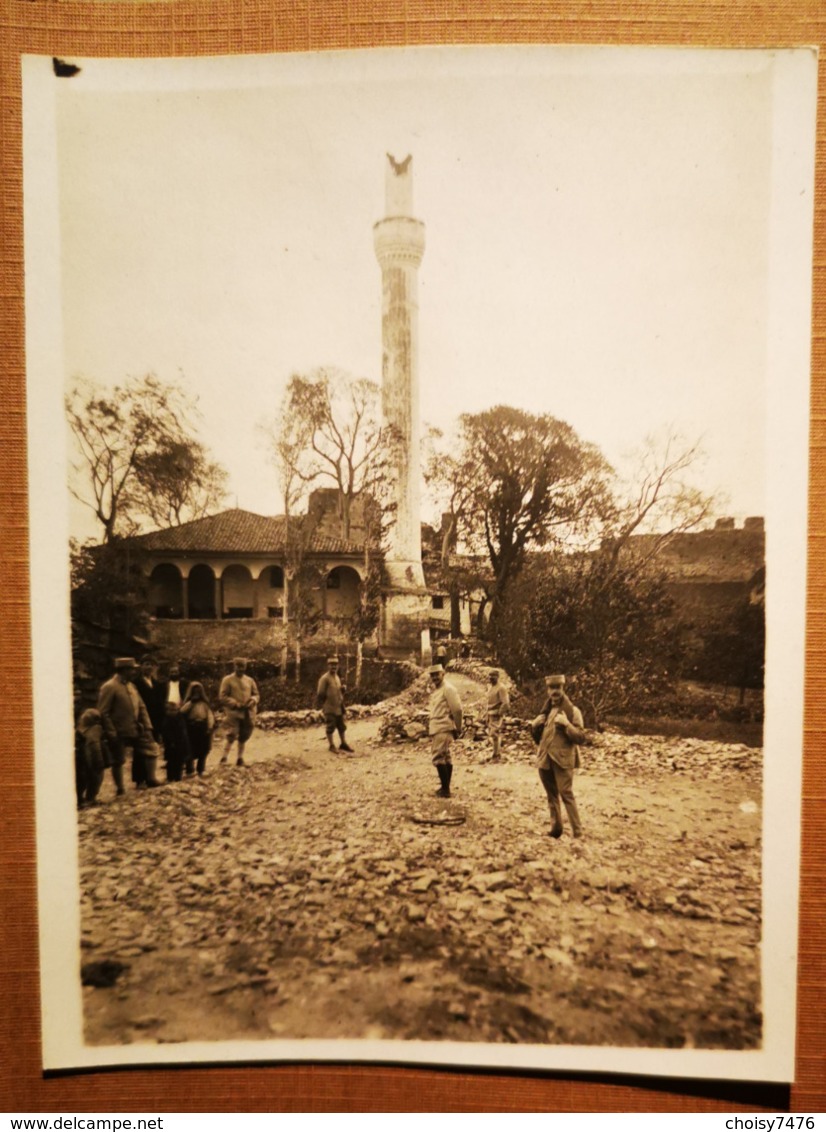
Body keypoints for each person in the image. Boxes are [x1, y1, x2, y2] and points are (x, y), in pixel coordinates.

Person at [532, 674, 585, 839]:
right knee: (551, 795)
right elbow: (538, 737)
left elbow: (581, 737)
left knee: (566, 793)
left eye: (558, 688)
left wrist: (567, 724)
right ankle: (556, 829)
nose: (554, 691)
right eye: (551, 688)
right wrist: (534, 726)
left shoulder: (573, 711)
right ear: (548, 690)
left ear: (563, 689)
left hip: (563, 760)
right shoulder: (546, 711)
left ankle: (578, 832)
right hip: (545, 759)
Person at [98, 657, 156, 792]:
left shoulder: (131, 686)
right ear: (124, 670)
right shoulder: (109, 687)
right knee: (118, 760)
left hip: (135, 728)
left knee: (150, 749)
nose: (134, 672)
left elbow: (141, 707)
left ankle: (150, 779)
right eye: (132, 670)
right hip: (118, 731)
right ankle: (120, 788)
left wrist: (147, 726)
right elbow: (103, 712)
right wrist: (111, 732)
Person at [428, 663, 463, 798]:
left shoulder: (448, 689)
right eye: (432, 675)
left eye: (437, 674)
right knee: (445, 757)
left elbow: (457, 709)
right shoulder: (438, 690)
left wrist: (458, 728)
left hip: (443, 726)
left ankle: (445, 789)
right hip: (437, 727)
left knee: (438, 757)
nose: (435, 677)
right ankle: (445, 787)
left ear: (443, 674)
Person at [219, 657, 259, 766]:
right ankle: (224, 758)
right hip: (233, 713)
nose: (240, 669)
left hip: (247, 713)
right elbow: (222, 696)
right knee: (231, 735)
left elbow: (256, 694)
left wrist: (253, 701)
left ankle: (240, 758)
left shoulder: (249, 680)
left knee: (244, 735)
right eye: (238, 666)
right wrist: (235, 703)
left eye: (243, 667)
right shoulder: (227, 680)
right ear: (234, 666)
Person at [316, 657, 354, 753]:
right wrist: (326, 703)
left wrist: (342, 690)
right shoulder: (324, 678)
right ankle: (331, 745)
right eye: (332, 664)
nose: (334, 666)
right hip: (330, 707)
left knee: (341, 726)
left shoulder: (337, 677)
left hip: (339, 706)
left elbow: (338, 691)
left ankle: (343, 744)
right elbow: (320, 693)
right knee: (330, 726)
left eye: (335, 664)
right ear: (328, 666)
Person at [181, 681, 215, 776]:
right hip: (191, 728)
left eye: (198, 692)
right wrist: (191, 702)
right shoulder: (188, 704)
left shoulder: (205, 704)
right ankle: (190, 769)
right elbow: (182, 712)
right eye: (194, 692)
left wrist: (210, 726)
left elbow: (210, 716)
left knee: (203, 750)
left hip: (203, 727)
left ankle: (201, 769)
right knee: (190, 749)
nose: (197, 695)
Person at [75, 707, 106, 807]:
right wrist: (99, 762)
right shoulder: (95, 729)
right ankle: (90, 798)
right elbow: (94, 746)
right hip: (90, 760)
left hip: (81, 759)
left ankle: (79, 799)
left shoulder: (79, 729)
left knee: (81, 779)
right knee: (96, 777)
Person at [134, 655, 167, 743]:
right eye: (147, 664)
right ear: (141, 666)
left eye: (152, 665)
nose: (149, 667)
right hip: (142, 719)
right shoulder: (135, 683)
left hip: (156, 720)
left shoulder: (158, 684)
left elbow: (161, 703)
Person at [161, 701, 191, 782]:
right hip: (171, 745)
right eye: (170, 710)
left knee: (179, 762)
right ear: (167, 711)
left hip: (181, 744)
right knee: (171, 762)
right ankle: (170, 777)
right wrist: (170, 742)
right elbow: (166, 733)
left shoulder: (180, 719)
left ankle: (178, 777)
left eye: (175, 710)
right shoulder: (166, 721)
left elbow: (183, 732)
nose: (172, 712)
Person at [486, 668, 510, 762]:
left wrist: (500, 713)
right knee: (492, 735)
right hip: (490, 714)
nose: (491, 678)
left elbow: (506, 703)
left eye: (493, 676)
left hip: (496, 714)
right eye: (490, 676)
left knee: (494, 734)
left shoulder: (501, 688)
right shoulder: (490, 687)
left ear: (498, 677)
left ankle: (497, 756)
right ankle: (495, 754)